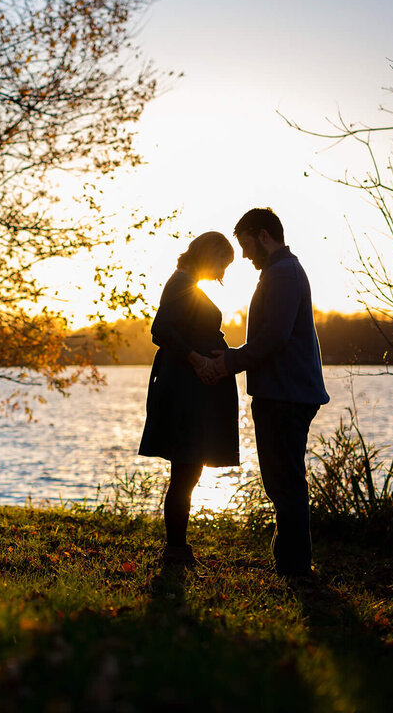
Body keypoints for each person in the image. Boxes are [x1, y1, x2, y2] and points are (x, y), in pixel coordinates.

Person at [197, 208, 329, 579]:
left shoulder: (284, 274)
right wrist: (234, 356)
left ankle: (294, 566)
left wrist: (229, 362)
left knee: (284, 480)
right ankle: (289, 561)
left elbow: (274, 337)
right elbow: (270, 337)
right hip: (282, 391)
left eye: (246, 244)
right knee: (281, 479)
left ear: (263, 235)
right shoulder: (280, 272)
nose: (244, 255)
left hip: (286, 395)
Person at [139, 232, 240, 568]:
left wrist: (220, 362)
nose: (223, 270)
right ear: (209, 254)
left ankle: (178, 548)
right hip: (185, 391)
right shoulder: (180, 282)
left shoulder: (188, 284)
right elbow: (162, 330)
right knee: (185, 469)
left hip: (194, 390)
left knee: (189, 469)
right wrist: (199, 361)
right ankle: (176, 549)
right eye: (223, 261)